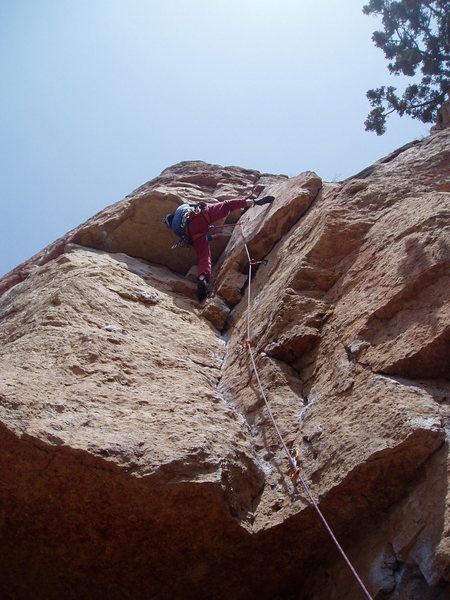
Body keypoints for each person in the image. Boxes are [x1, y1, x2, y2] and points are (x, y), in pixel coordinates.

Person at [163, 196, 274, 301]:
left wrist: (210, 237)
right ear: (171, 215)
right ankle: (252, 202)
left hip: (193, 234)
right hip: (199, 215)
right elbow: (195, 205)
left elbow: (191, 237)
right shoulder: (180, 208)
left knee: (204, 257)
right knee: (226, 205)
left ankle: (202, 279)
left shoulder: (175, 229)